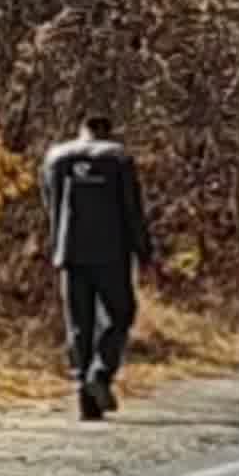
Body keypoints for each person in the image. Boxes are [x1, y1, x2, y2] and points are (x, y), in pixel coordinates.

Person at [41, 114, 150, 421]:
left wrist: (57, 244)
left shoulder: (56, 157)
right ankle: (100, 374)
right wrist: (144, 251)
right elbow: (132, 208)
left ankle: (83, 395)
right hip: (111, 253)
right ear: (107, 131)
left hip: (69, 252)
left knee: (79, 325)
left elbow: (49, 202)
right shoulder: (118, 158)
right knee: (121, 314)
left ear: (81, 130)